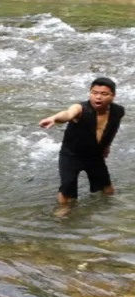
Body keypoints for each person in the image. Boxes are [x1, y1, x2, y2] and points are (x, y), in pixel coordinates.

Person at [39, 77, 125, 210]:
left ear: (113, 96)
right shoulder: (80, 108)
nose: (98, 97)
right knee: (67, 188)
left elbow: (113, 128)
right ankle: (62, 212)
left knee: (107, 188)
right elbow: (68, 114)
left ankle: (109, 210)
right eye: (94, 93)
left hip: (94, 155)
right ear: (90, 93)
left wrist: (107, 146)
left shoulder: (118, 111)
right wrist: (54, 118)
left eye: (104, 94)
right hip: (71, 155)